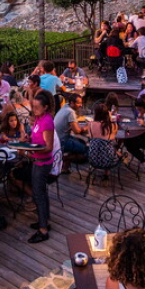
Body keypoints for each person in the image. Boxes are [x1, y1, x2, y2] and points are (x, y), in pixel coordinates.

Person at [27, 90, 57, 244]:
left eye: (37, 107)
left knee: (38, 195)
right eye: (34, 107)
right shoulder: (38, 119)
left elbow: (49, 147)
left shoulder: (46, 121)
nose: (34, 110)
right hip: (37, 161)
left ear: (45, 107)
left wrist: (31, 150)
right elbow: (36, 137)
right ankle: (45, 221)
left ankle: (43, 230)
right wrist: (28, 139)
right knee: (41, 194)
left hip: (42, 163)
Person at [53, 92, 88, 157]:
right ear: (72, 103)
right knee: (85, 148)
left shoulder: (65, 106)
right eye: (78, 103)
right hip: (62, 141)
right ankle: (68, 159)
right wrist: (86, 127)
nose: (81, 105)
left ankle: (68, 161)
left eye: (81, 103)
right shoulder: (70, 112)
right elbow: (76, 131)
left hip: (56, 138)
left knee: (81, 141)